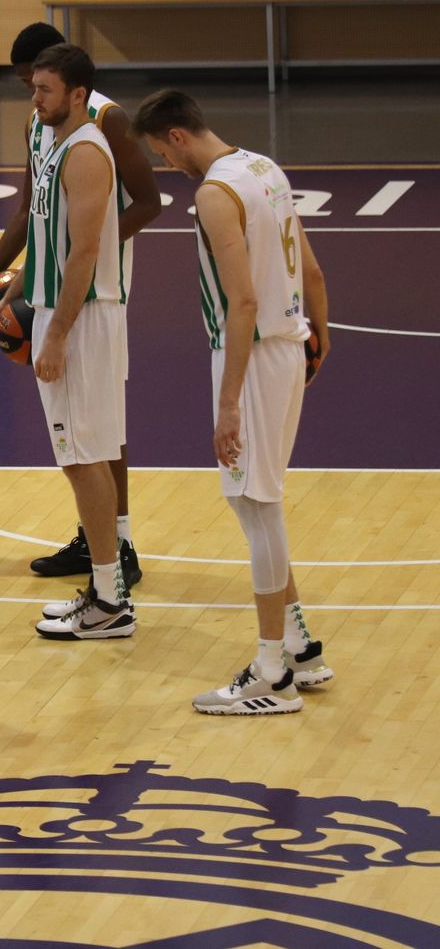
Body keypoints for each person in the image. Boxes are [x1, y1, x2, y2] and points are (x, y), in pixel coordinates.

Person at [131, 88, 335, 713]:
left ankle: (272, 673)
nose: (167, 166)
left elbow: (241, 303)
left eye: (162, 154)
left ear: (177, 137)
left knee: (257, 503)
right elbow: (313, 270)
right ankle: (302, 648)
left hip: (252, 356)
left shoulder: (215, 194)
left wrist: (227, 405)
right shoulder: (265, 168)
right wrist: (319, 334)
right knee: (256, 504)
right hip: (287, 344)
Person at [0, 22, 162, 594]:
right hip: (58, 286)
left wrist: (91, 252)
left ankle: (115, 557)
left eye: (38, 83)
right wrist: (1, 281)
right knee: (83, 442)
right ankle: (101, 548)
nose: (30, 92)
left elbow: (145, 203)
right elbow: (35, 215)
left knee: (98, 435)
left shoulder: (100, 129)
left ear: (69, 85)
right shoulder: (42, 126)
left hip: (93, 295)